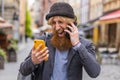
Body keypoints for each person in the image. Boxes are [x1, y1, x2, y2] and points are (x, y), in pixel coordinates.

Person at [19, 2, 101, 80]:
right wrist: (33, 61)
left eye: (60, 22)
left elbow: (94, 73)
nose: (57, 27)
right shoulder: (43, 41)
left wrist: (77, 45)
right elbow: (23, 70)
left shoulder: (84, 44)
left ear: (71, 24)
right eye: (54, 23)